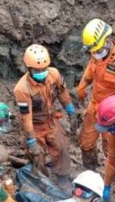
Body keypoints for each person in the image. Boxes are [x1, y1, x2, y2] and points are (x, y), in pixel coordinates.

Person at [76, 18, 115, 171]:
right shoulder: (96, 53)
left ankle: (110, 178)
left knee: (109, 147)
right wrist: (83, 85)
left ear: (107, 40)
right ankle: (90, 173)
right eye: (92, 51)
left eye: (96, 49)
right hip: (95, 105)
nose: (94, 53)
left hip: (112, 112)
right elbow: (91, 69)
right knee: (86, 142)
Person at [13, 44, 73, 187]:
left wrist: (70, 109)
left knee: (61, 147)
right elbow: (26, 117)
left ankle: (63, 178)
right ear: (29, 68)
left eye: (44, 69)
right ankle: (43, 183)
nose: (42, 72)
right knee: (37, 155)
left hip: (51, 120)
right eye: (37, 70)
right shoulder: (22, 89)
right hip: (34, 125)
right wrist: (31, 139)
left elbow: (62, 92)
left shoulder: (54, 74)